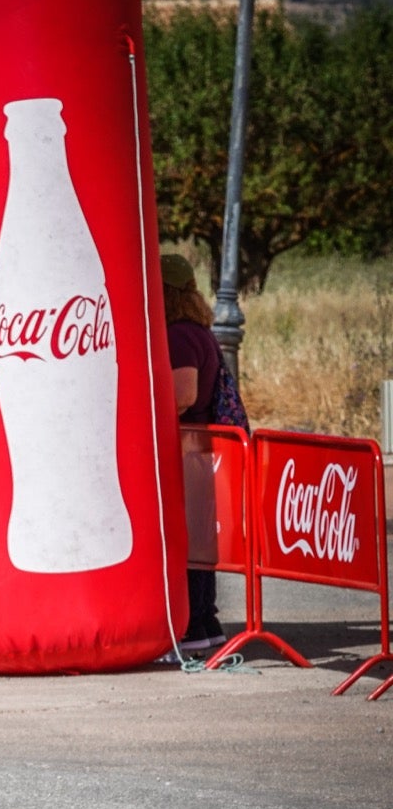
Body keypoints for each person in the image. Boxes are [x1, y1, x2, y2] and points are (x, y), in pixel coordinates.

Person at [162, 252, 227, 652]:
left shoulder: (180, 334)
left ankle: (192, 625)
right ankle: (205, 621)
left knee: (185, 539)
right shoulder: (198, 329)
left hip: (188, 448)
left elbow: (182, 395)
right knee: (198, 540)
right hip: (201, 450)